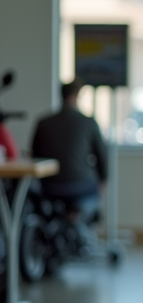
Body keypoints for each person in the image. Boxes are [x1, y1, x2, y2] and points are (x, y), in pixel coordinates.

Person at [31, 79, 107, 224]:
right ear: (76, 97)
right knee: (94, 191)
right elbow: (102, 158)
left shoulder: (43, 122)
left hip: (50, 187)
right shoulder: (88, 122)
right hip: (81, 185)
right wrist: (103, 181)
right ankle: (82, 225)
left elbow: (34, 156)